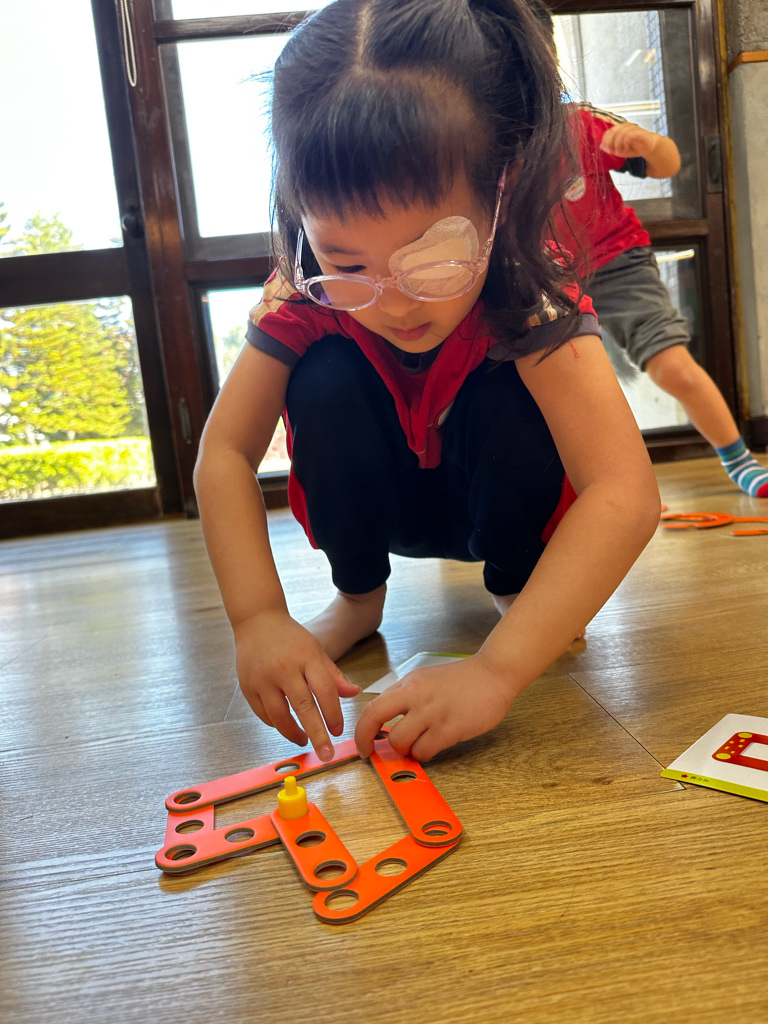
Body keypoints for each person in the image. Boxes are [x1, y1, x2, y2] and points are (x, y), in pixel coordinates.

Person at [194, 0, 660, 765]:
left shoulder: (525, 284)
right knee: (324, 378)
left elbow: (625, 491)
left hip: (496, 501)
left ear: (503, 189)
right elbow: (223, 454)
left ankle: (520, 588)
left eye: (432, 258)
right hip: (384, 502)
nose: (395, 302)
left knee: (520, 390)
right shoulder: (303, 288)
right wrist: (258, 619)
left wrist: (496, 671)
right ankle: (358, 597)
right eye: (347, 262)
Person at [526, 2, 768, 499]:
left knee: (671, 365)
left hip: (617, 262)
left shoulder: (580, 124)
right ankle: (569, 489)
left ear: (549, 58)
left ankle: (738, 458)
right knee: (550, 387)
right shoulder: (485, 145)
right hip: (545, 277)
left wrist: (648, 145)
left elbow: (669, 164)